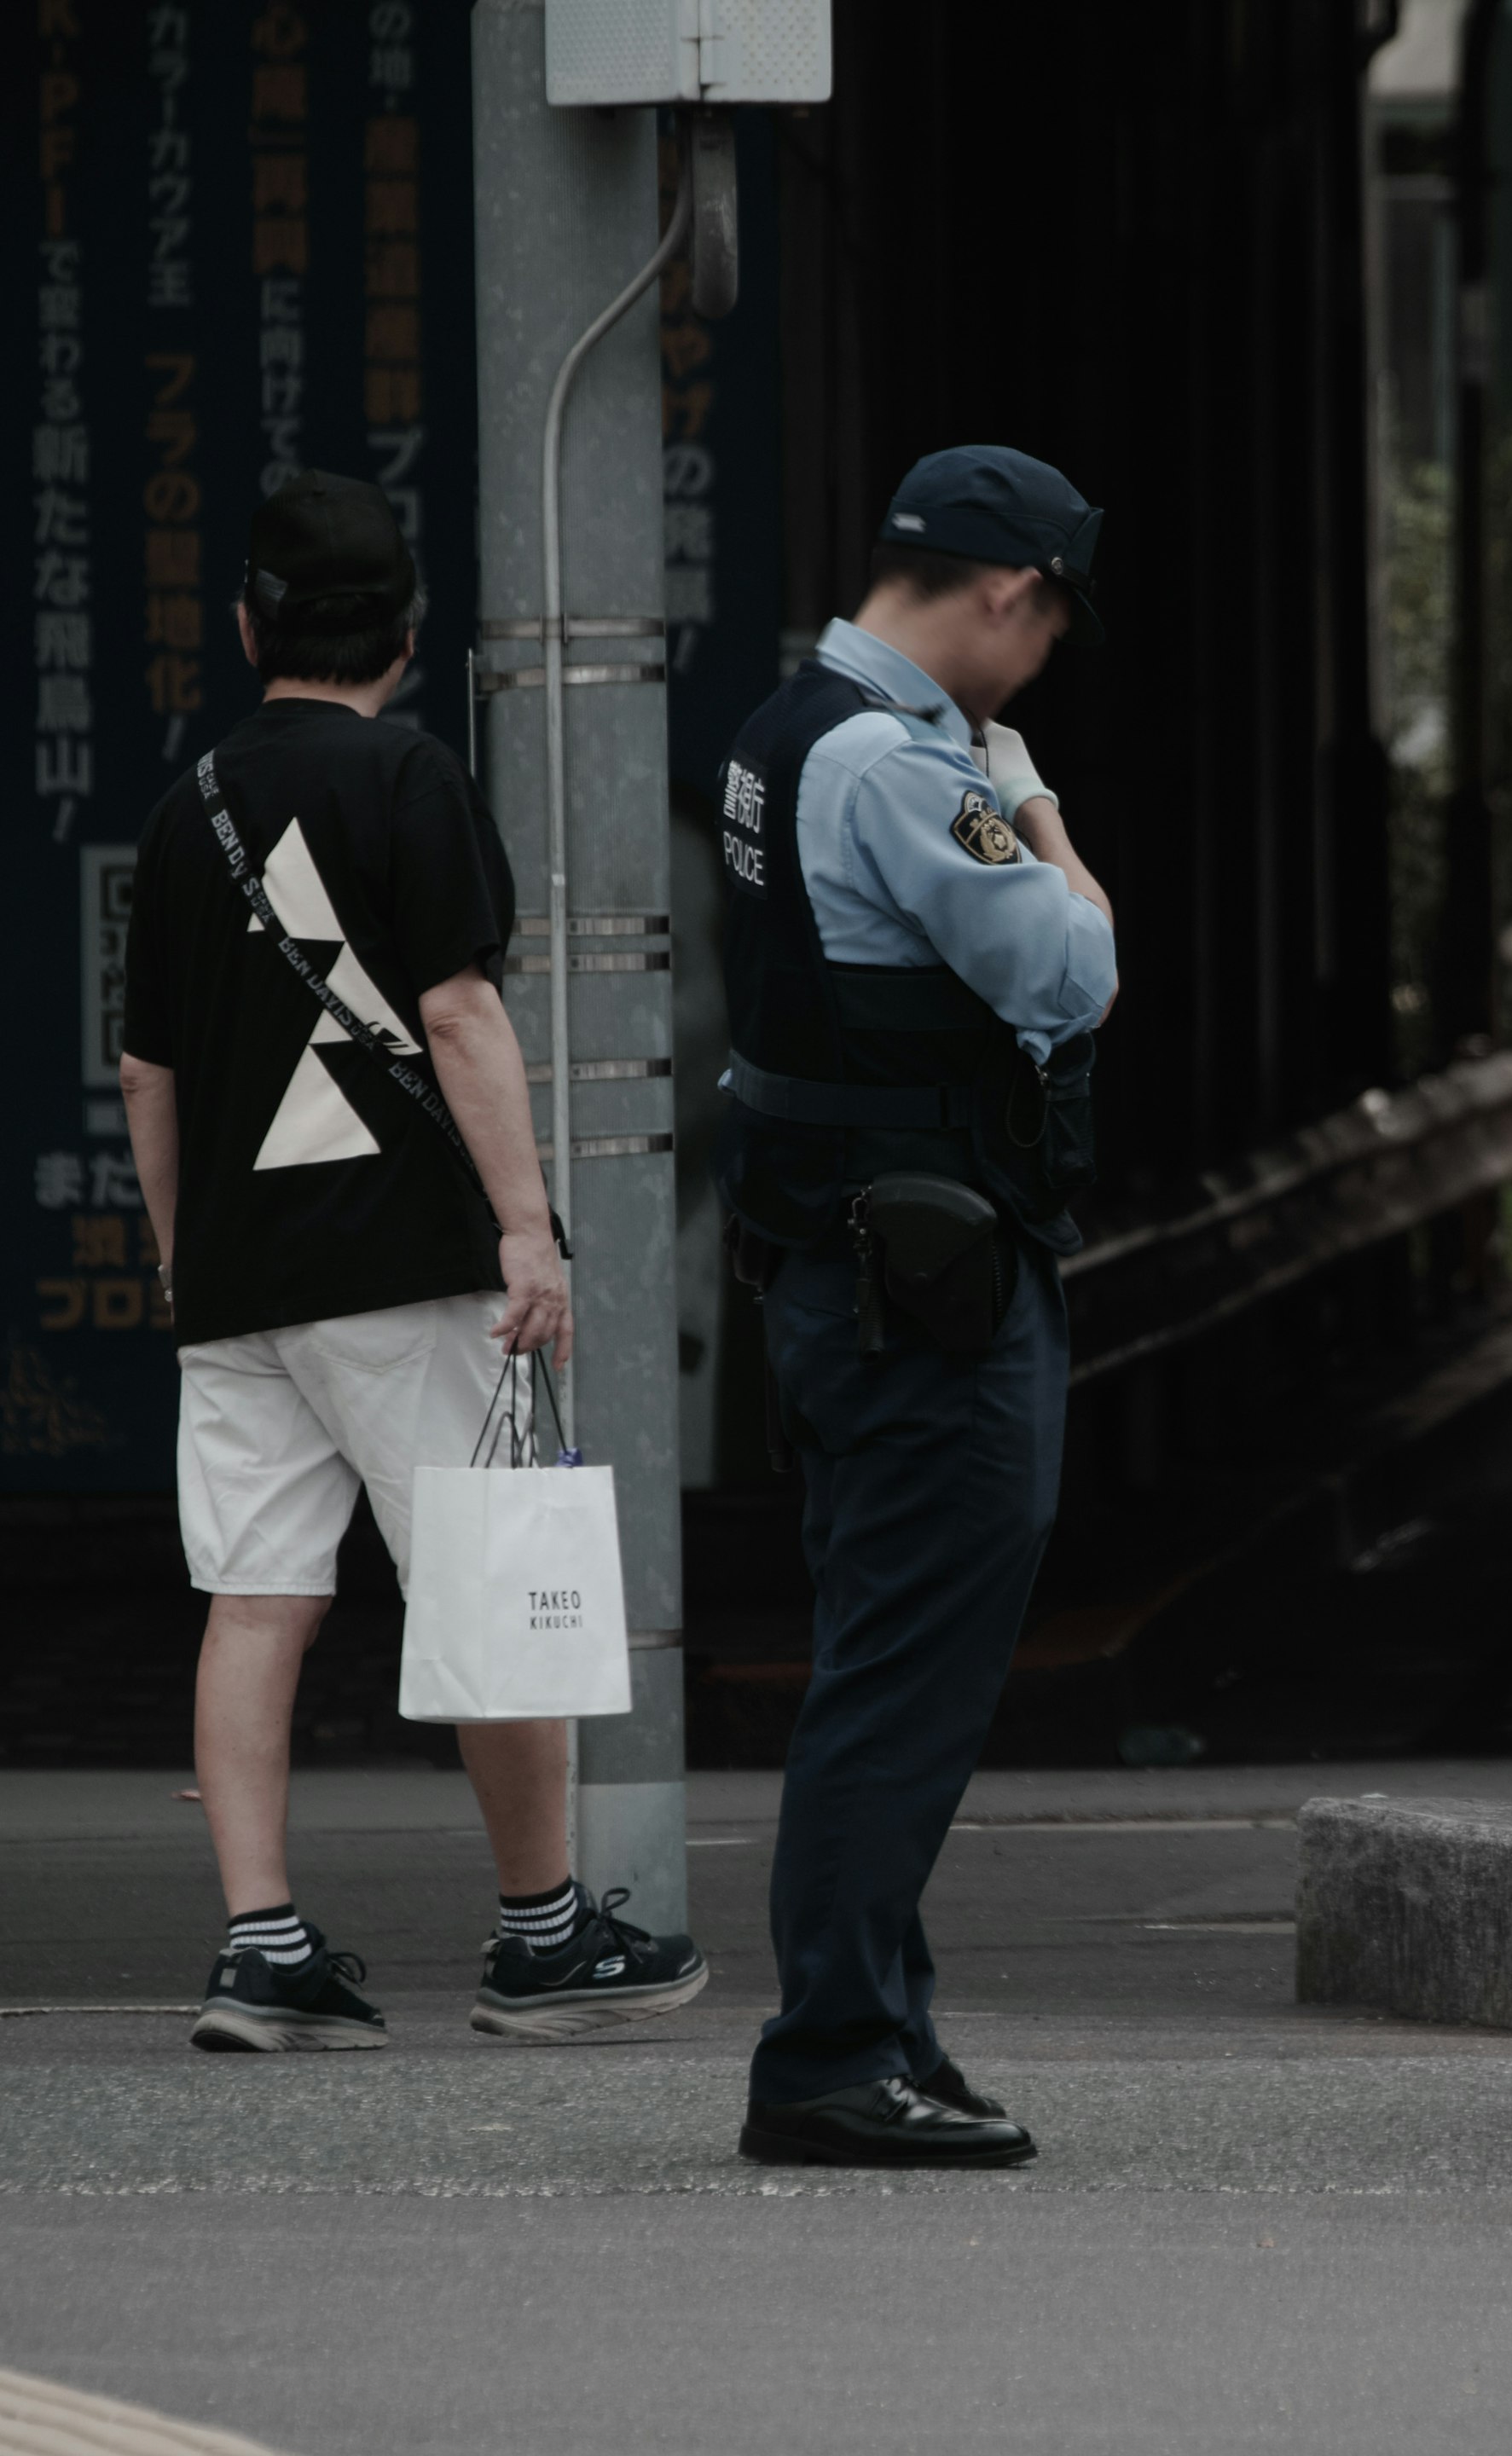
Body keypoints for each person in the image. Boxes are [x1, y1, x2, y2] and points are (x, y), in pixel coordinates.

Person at [122, 470, 708, 2053]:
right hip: (397, 1262)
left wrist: (191, 1269)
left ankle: (261, 1944)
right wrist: (527, 1223)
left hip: (241, 1283)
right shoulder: (409, 776)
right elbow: (455, 1012)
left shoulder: (187, 812)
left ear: (249, 628)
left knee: (257, 1604)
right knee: (494, 1579)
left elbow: (149, 1077)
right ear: (406, 631)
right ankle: (541, 1938)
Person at [720, 446, 1115, 2170]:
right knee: (901, 1677)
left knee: (886, 1657)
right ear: (1005, 595)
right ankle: (826, 2052)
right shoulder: (900, 765)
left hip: (847, 1277)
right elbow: (1075, 968)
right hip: (924, 1301)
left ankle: (888, 2025)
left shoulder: (781, 726)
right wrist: (1034, 811)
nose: (1037, 673)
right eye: (1045, 632)